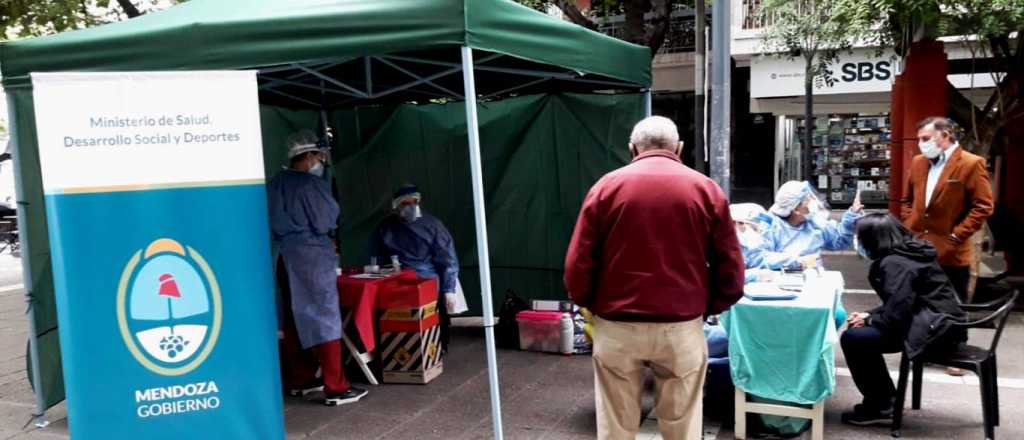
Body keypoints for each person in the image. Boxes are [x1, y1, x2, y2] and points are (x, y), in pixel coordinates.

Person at [564, 116, 745, 440]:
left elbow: (578, 262)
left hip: (617, 324)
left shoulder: (606, 187)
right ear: (679, 148)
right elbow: (730, 264)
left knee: (616, 425)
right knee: (682, 424)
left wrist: (589, 302)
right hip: (682, 325)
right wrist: (710, 305)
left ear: (632, 149)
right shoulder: (706, 190)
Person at [268, 129, 367, 407]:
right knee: (325, 316)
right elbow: (326, 220)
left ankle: (302, 379)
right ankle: (336, 386)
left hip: (284, 256)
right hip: (311, 256)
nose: (321, 162)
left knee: (292, 318)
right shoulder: (311, 186)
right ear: (308, 155)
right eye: (319, 157)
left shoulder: (275, 184)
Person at [840, 213, 966, 426]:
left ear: (874, 239)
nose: (858, 242)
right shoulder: (910, 253)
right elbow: (902, 301)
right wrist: (869, 315)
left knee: (853, 339)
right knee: (860, 334)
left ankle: (881, 404)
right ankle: (884, 399)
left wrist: (870, 321)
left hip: (934, 331)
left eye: (860, 238)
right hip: (939, 323)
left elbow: (897, 314)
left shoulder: (895, 263)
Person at [900, 116, 994, 301]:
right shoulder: (918, 162)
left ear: (945, 135)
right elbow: (906, 199)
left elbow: (983, 206)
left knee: (951, 310)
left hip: (951, 256)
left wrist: (957, 236)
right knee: (915, 307)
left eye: (926, 139)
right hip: (916, 250)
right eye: (919, 139)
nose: (921, 144)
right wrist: (909, 223)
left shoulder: (971, 163)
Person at [369, 184, 461, 353]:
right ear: (396, 206)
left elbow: (448, 258)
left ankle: (437, 349)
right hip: (398, 281)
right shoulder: (386, 227)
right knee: (401, 324)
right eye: (406, 203)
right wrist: (377, 270)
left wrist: (449, 289)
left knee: (433, 321)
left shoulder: (432, 225)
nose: (411, 206)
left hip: (428, 281)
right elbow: (377, 256)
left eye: (415, 202)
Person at [759, 180, 864, 271]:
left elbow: (839, 241)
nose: (812, 202)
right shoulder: (771, 225)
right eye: (807, 199)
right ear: (795, 209)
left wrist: (852, 215)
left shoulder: (814, 222)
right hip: (780, 281)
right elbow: (761, 258)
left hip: (812, 277)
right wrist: (798, 261)